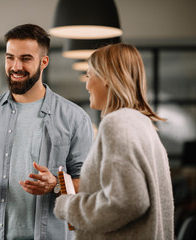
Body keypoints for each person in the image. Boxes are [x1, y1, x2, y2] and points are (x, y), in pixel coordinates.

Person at [0, 24, 94, 240]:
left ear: (44, 62)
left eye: (25, 58)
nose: (15, 66)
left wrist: (56, 184)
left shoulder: (74, 118)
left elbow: (89, 186)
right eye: (9, 57)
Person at [54, 43, 174, 239]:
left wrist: (68, 204)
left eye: (89, 75)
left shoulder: (117, 124)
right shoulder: (143, 125)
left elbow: (128, 201)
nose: (86, 84)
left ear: (107, 78)